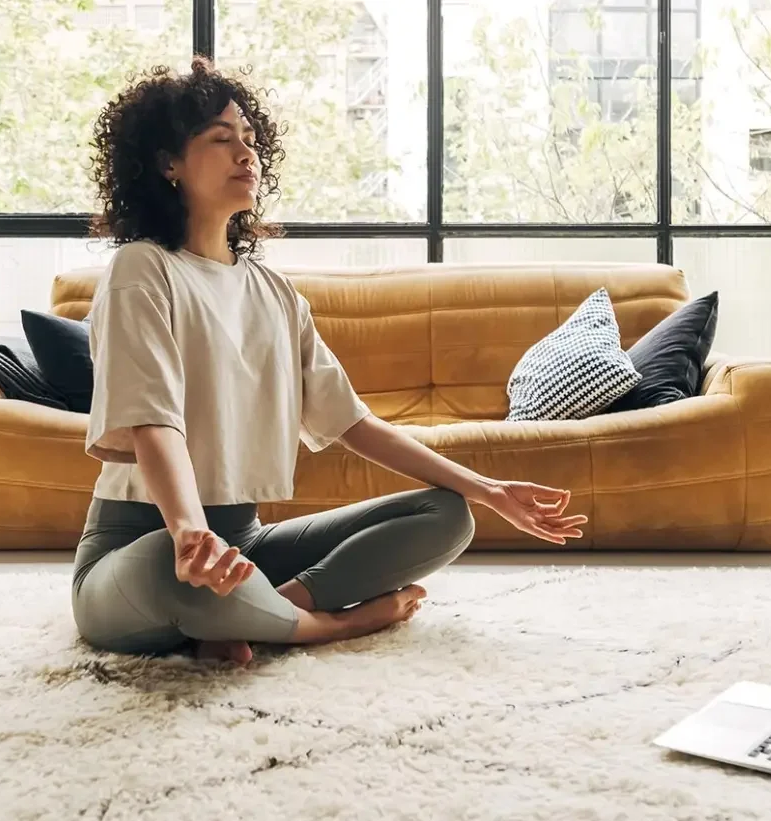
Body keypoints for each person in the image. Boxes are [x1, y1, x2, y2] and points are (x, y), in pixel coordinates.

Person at [72, 58, 586, 666]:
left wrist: (487, 487)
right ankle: (327, 626)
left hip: (244, 543)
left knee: (446, 514)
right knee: (169, 568)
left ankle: (268, 609)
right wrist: (187, 531)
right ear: (168, 163)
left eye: (250, 140)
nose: (246, 154)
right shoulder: (142, 269)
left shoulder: (276, 294)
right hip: (140, 546)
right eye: (221, 139)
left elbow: (353, 424)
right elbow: (154, 421)